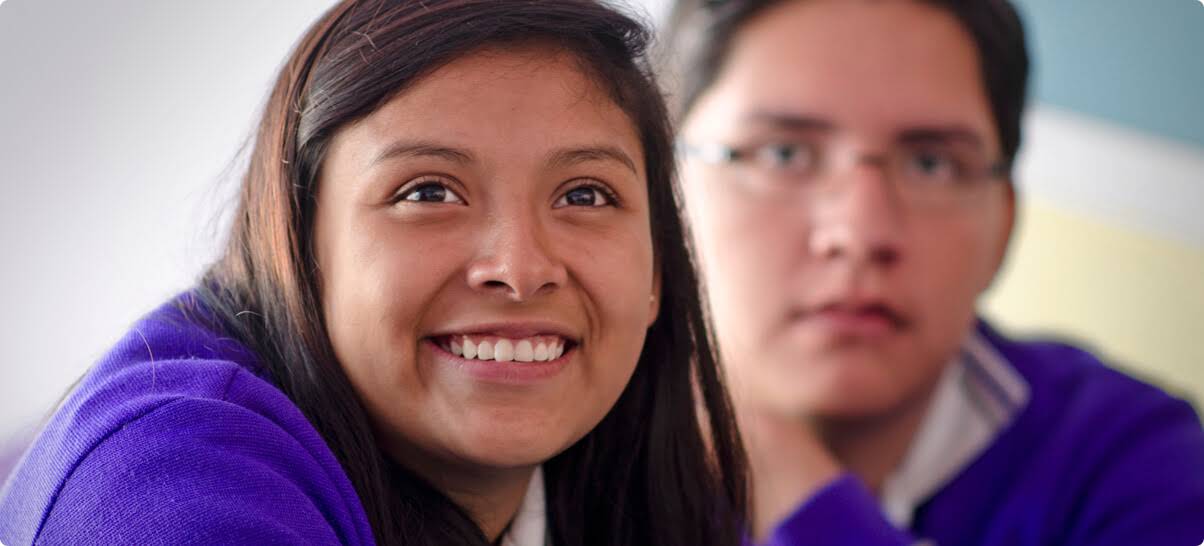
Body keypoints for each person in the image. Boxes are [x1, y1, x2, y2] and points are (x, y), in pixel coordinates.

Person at [0, 1, 750, 545]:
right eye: (427, 193)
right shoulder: (170, 489)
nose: (521, 269)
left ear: (658, 272)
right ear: (299, 243)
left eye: (585, 195)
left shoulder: (637, 487)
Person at [662, 0, 1204, 544]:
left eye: (931, 164)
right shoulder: (585, 441)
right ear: (664, 195)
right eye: (783, 154)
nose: (861, 233)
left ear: (1005, 223)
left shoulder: (1129, 458)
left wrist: (787, 479)